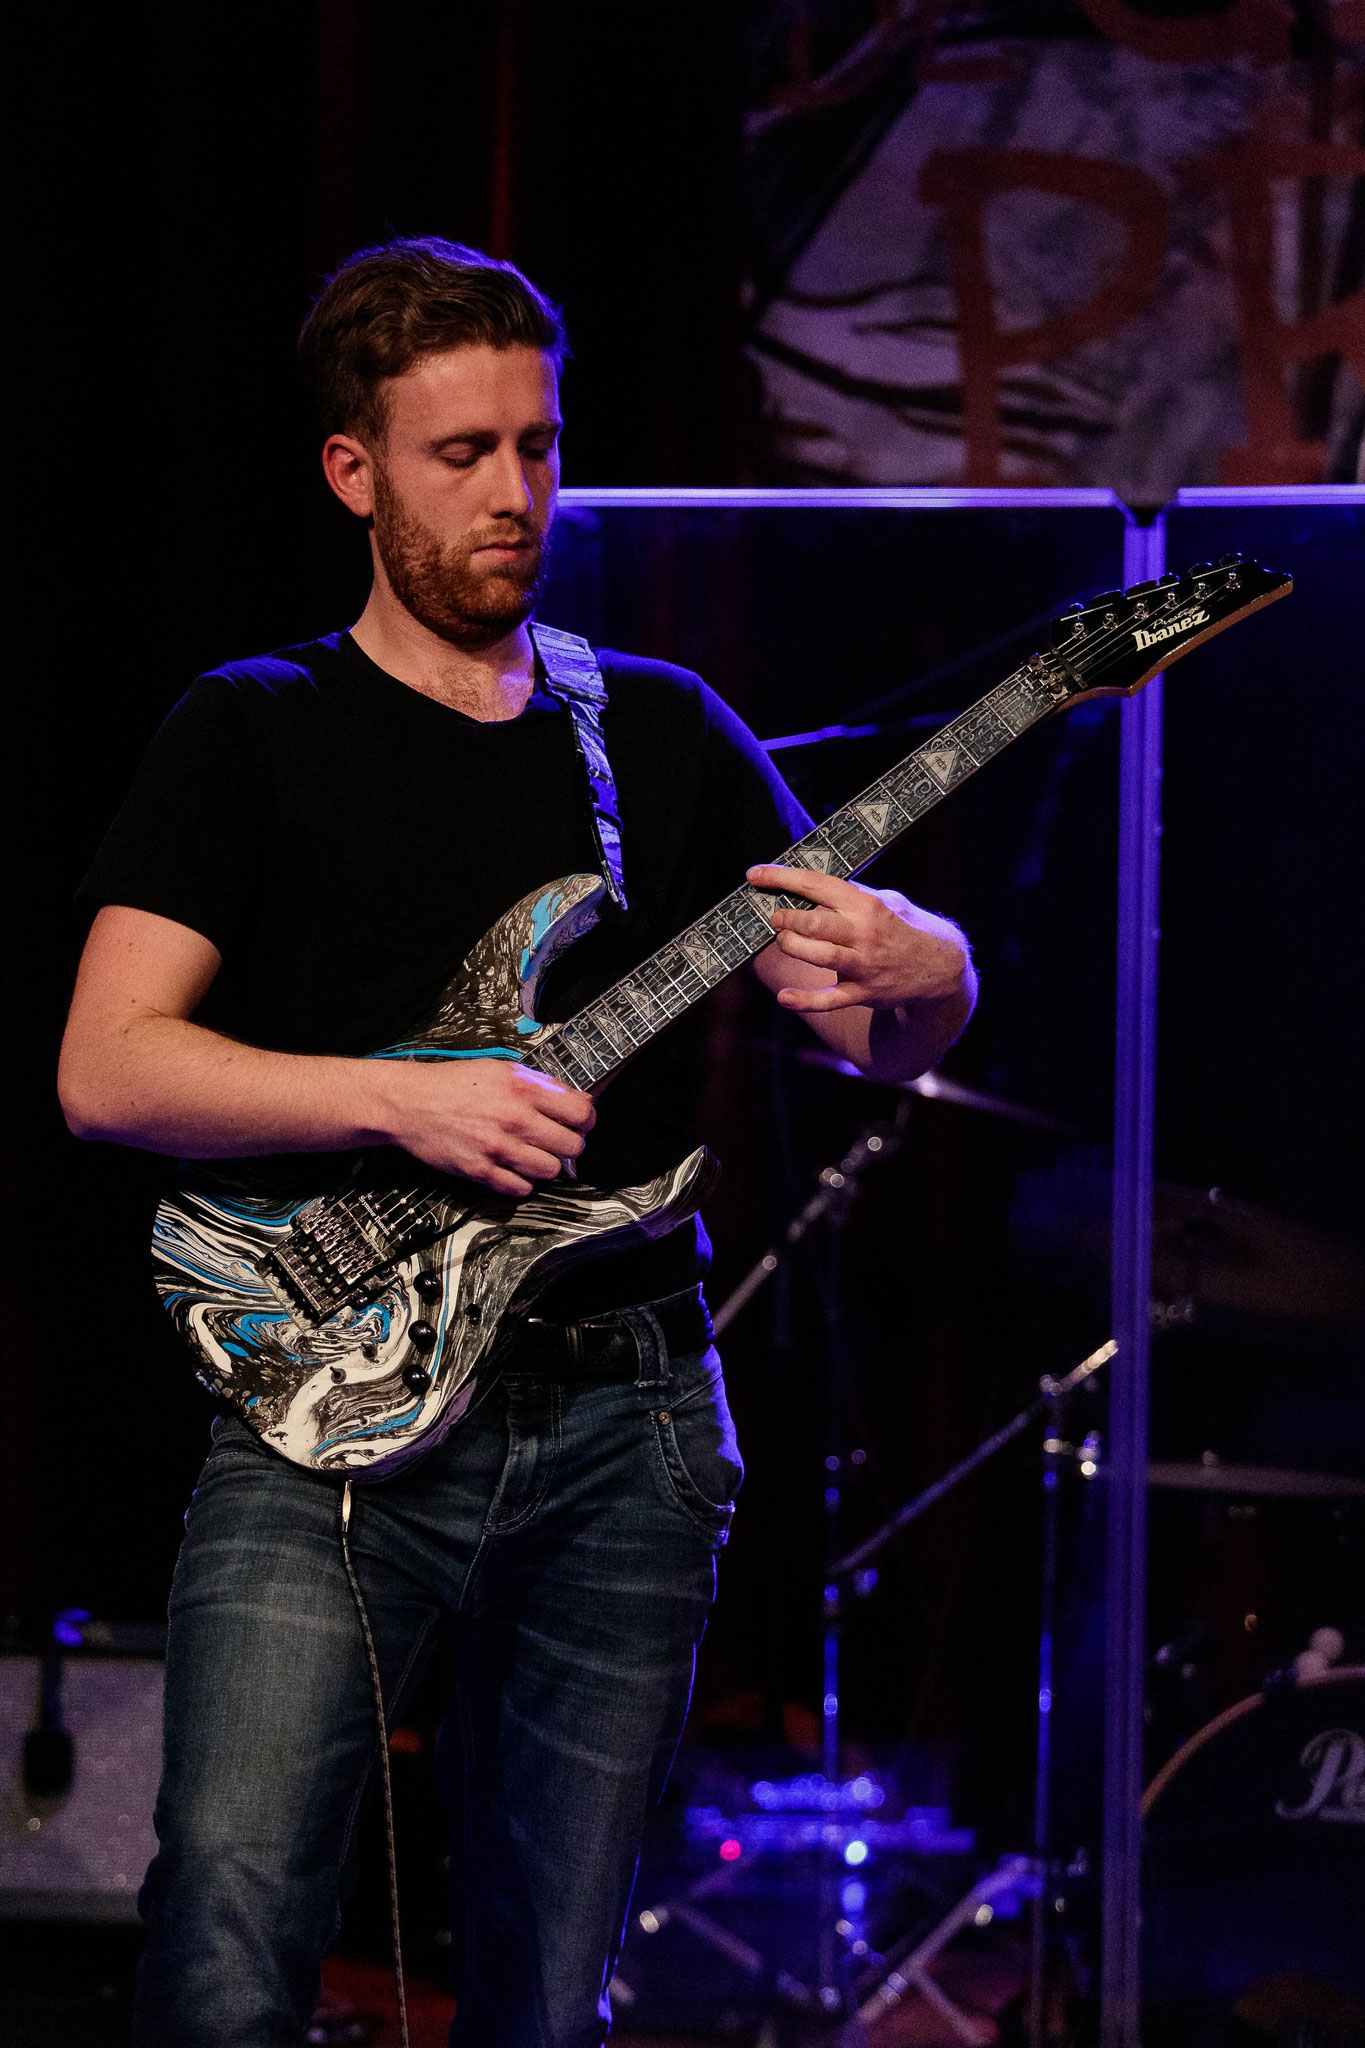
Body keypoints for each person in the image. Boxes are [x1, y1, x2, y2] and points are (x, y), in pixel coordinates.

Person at [57, 236, 976, 2048]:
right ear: (355, 472)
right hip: (322, 1400)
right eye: (462, 453)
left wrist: (935, 967)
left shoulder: (659, 727)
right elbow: (108, 1068)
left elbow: (866, 1022)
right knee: (229, 1929)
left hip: (625, 1417)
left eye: (538, 446)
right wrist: (398, 1093)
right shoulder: (251, 729)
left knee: (552, 1987)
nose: (515, 494)